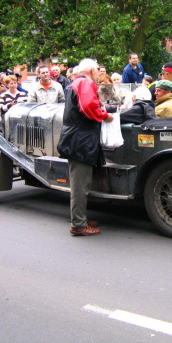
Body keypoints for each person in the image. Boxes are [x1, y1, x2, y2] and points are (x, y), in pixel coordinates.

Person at [57, 58, 114, 236]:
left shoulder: (77, 82)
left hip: (78, 139)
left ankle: (80, 219)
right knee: (80, 185)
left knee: (81, 184)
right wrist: (105, 115)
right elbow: (88, 106)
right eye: (97, 69)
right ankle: (79, 224)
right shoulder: (86, 82)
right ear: (90, 70)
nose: (99, 72)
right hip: (80, 141)